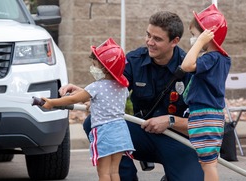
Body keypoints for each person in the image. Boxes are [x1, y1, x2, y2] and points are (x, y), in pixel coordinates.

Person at [60, 11, 204, 181]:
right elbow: (108, 90)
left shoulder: (191, 68)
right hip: (139, 134)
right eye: (148, 35)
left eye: (157, 39)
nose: (149, 42)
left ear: (175, 41)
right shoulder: (135, 60)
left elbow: (204, 123)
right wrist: (83, 93)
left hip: (177, 141)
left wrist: (170, 120)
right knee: (94, 123)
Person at [40, 38, 135, 181]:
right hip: (121, 131)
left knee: (103, 172)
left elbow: (73, 99)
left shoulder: (95, 87)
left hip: (104, 132)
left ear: (105, 67)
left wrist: (52, 102)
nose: (93, 67)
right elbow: (108, 101)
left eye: (95, 64)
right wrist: (93, 103)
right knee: (114, 172)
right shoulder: (123, 88)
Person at [181, 4, 231, 181]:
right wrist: (201, 41)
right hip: (211, 115)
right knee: (208, 162)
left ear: (207, 35)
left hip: (205, 116)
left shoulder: (210, 58)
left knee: (208, 164)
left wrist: (200, 42)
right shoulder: (222, 59)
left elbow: (186, 66)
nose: (193, 39)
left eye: (194, 35)